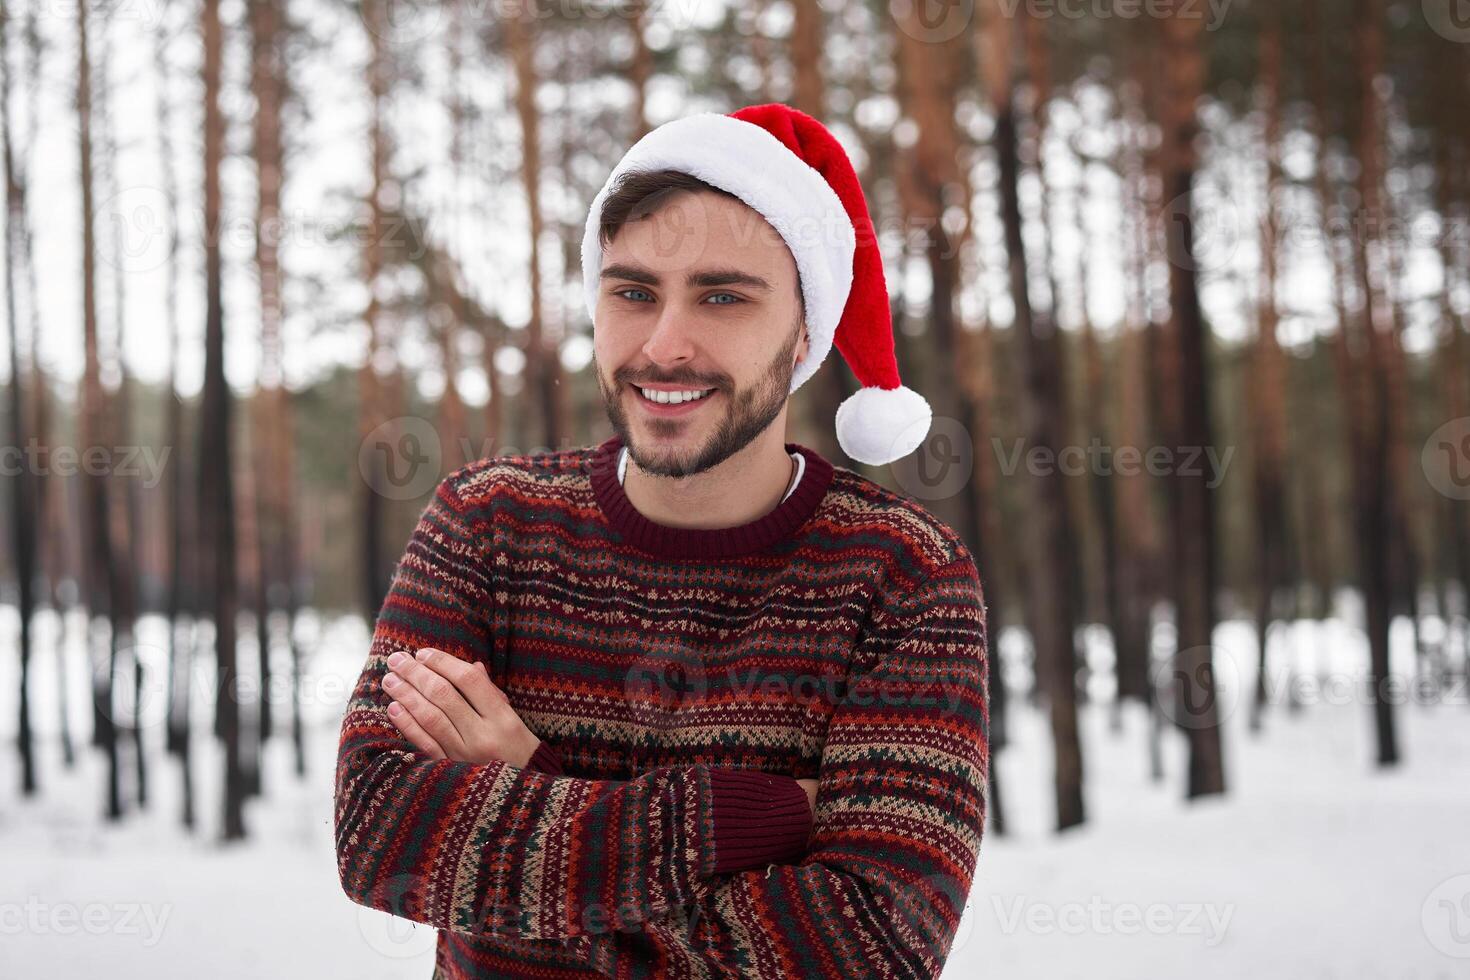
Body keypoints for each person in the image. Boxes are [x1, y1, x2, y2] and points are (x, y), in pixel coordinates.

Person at [334, 103, 989, 979]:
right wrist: (745, 817)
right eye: (633, 292)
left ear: (805, 330)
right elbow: (381, 838)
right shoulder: (487, 524)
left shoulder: (903, 574)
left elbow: (866, 948)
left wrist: (533, 779)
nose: (664, 345)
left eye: (722, 296)